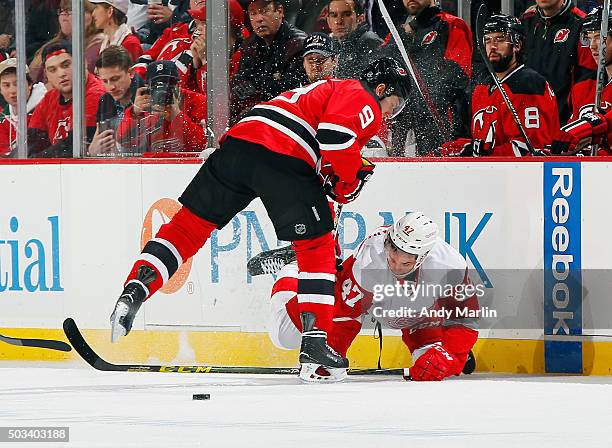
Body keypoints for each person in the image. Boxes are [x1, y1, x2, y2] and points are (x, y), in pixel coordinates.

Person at [108, 57, 411, 382]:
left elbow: (324, 140)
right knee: (317, 248)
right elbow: (336, 138)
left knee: (187, 227)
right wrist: (349, 180)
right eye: (392, 105)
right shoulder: (361, 94)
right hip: (282, 153)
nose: (388, 115)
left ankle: (135, 290)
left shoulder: (322, 92)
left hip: (238, 145)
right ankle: (315, 343)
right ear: (381, 88)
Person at [267, 212, 479, 382]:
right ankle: (295, 266)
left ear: (422, 257)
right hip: (370, 298)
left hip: (418, 313)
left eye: (405, 263)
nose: (395, 265)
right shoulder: (371, 258)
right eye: (392, 255)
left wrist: (452, 354)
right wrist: (330, 353)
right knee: (283, 337)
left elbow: (465, 315)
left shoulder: (449, 266)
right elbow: (346, 313)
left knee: (429, 366)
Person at [440, 15, 559, 157]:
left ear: (517, 45)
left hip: (522, 176)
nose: (493, 46)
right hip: (488, 174)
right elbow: (476, 143)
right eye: (488, 40)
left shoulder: (528, 84)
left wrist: (481, 154)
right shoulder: (482, 86)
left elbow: (531, 149)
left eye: (500, 39)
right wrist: (452, 150)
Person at [382, 0, 473, 156]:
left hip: (441, 121)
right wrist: (400, 39)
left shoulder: (451, 25)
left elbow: (459, 75)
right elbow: (380, 71)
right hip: (402, 123)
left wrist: (418, 52)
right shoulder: (397, 34)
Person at [230, 0, 307, 123]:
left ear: (280, 11)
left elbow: (290, 95)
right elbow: (238, 86)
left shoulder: (298, 44)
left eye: (264, 11)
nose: (259, 19)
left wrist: (258, 92)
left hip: (288, 120)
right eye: (253, 13)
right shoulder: (249, 45)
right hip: (258, 116)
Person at [521, 0, 597, 124]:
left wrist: (575, 122)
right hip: (527, 119)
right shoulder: (526, 21)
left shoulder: (581, 24)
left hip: (562, 123)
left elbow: (588, 78)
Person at [27, 41, 106, 158]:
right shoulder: (49, 99)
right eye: (52, 70)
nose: (61, 74)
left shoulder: (97, 94)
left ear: (82, 62)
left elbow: (75, 146)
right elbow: (31, 144)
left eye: (66, 65)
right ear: (46, 75)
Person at [115, 60, 207, 153]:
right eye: (156, 86)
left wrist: (177, 116)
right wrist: (134, 114)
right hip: (154, 164)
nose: (162, 91)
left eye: (168, 84)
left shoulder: (198, 101)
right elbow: (124, 144)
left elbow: (202, 145)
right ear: (147, 87)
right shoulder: (144, 105)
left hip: (190, 165)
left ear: (179, 84)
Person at [132, 4, 208, 93]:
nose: (199, 1)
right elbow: (145, 59)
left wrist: (202, 61)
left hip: (182, 98)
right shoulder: (175, 30)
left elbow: (209, 94)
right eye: (200, 24)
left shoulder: (211, 42)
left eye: (204, 23)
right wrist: (138, 84)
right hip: (154, 90)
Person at [29, 0, 104, 84]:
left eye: (70, 10)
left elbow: (82, 76)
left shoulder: (98, 42)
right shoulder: (53, 44)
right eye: (61, 10)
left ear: (91, 16)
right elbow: (33, 77)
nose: (64, 15)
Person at [89, 45, 145, 156]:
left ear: (131, 73)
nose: (111, 87)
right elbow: (96, 144)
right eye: (105, 81)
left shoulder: (146, 95)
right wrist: (91, 151)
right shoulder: (105, 100)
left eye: (115, 79)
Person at [567, 7, 612, 121]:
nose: (592, 46)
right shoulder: (582, 89)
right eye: (589, 38)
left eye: (598, 37)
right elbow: (571, 138)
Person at [0, 59, 47, 157]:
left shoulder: (47, 108)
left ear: (29, 84)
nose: (12, 90)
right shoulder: (3, 118)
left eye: (17, 84)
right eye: (6, 85)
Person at [326, 0, 383, 78]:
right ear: (328, 21)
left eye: (346, 14)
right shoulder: (329, 45)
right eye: (334, 15)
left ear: (360, 19)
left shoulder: (369, 41)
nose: (339, 21)